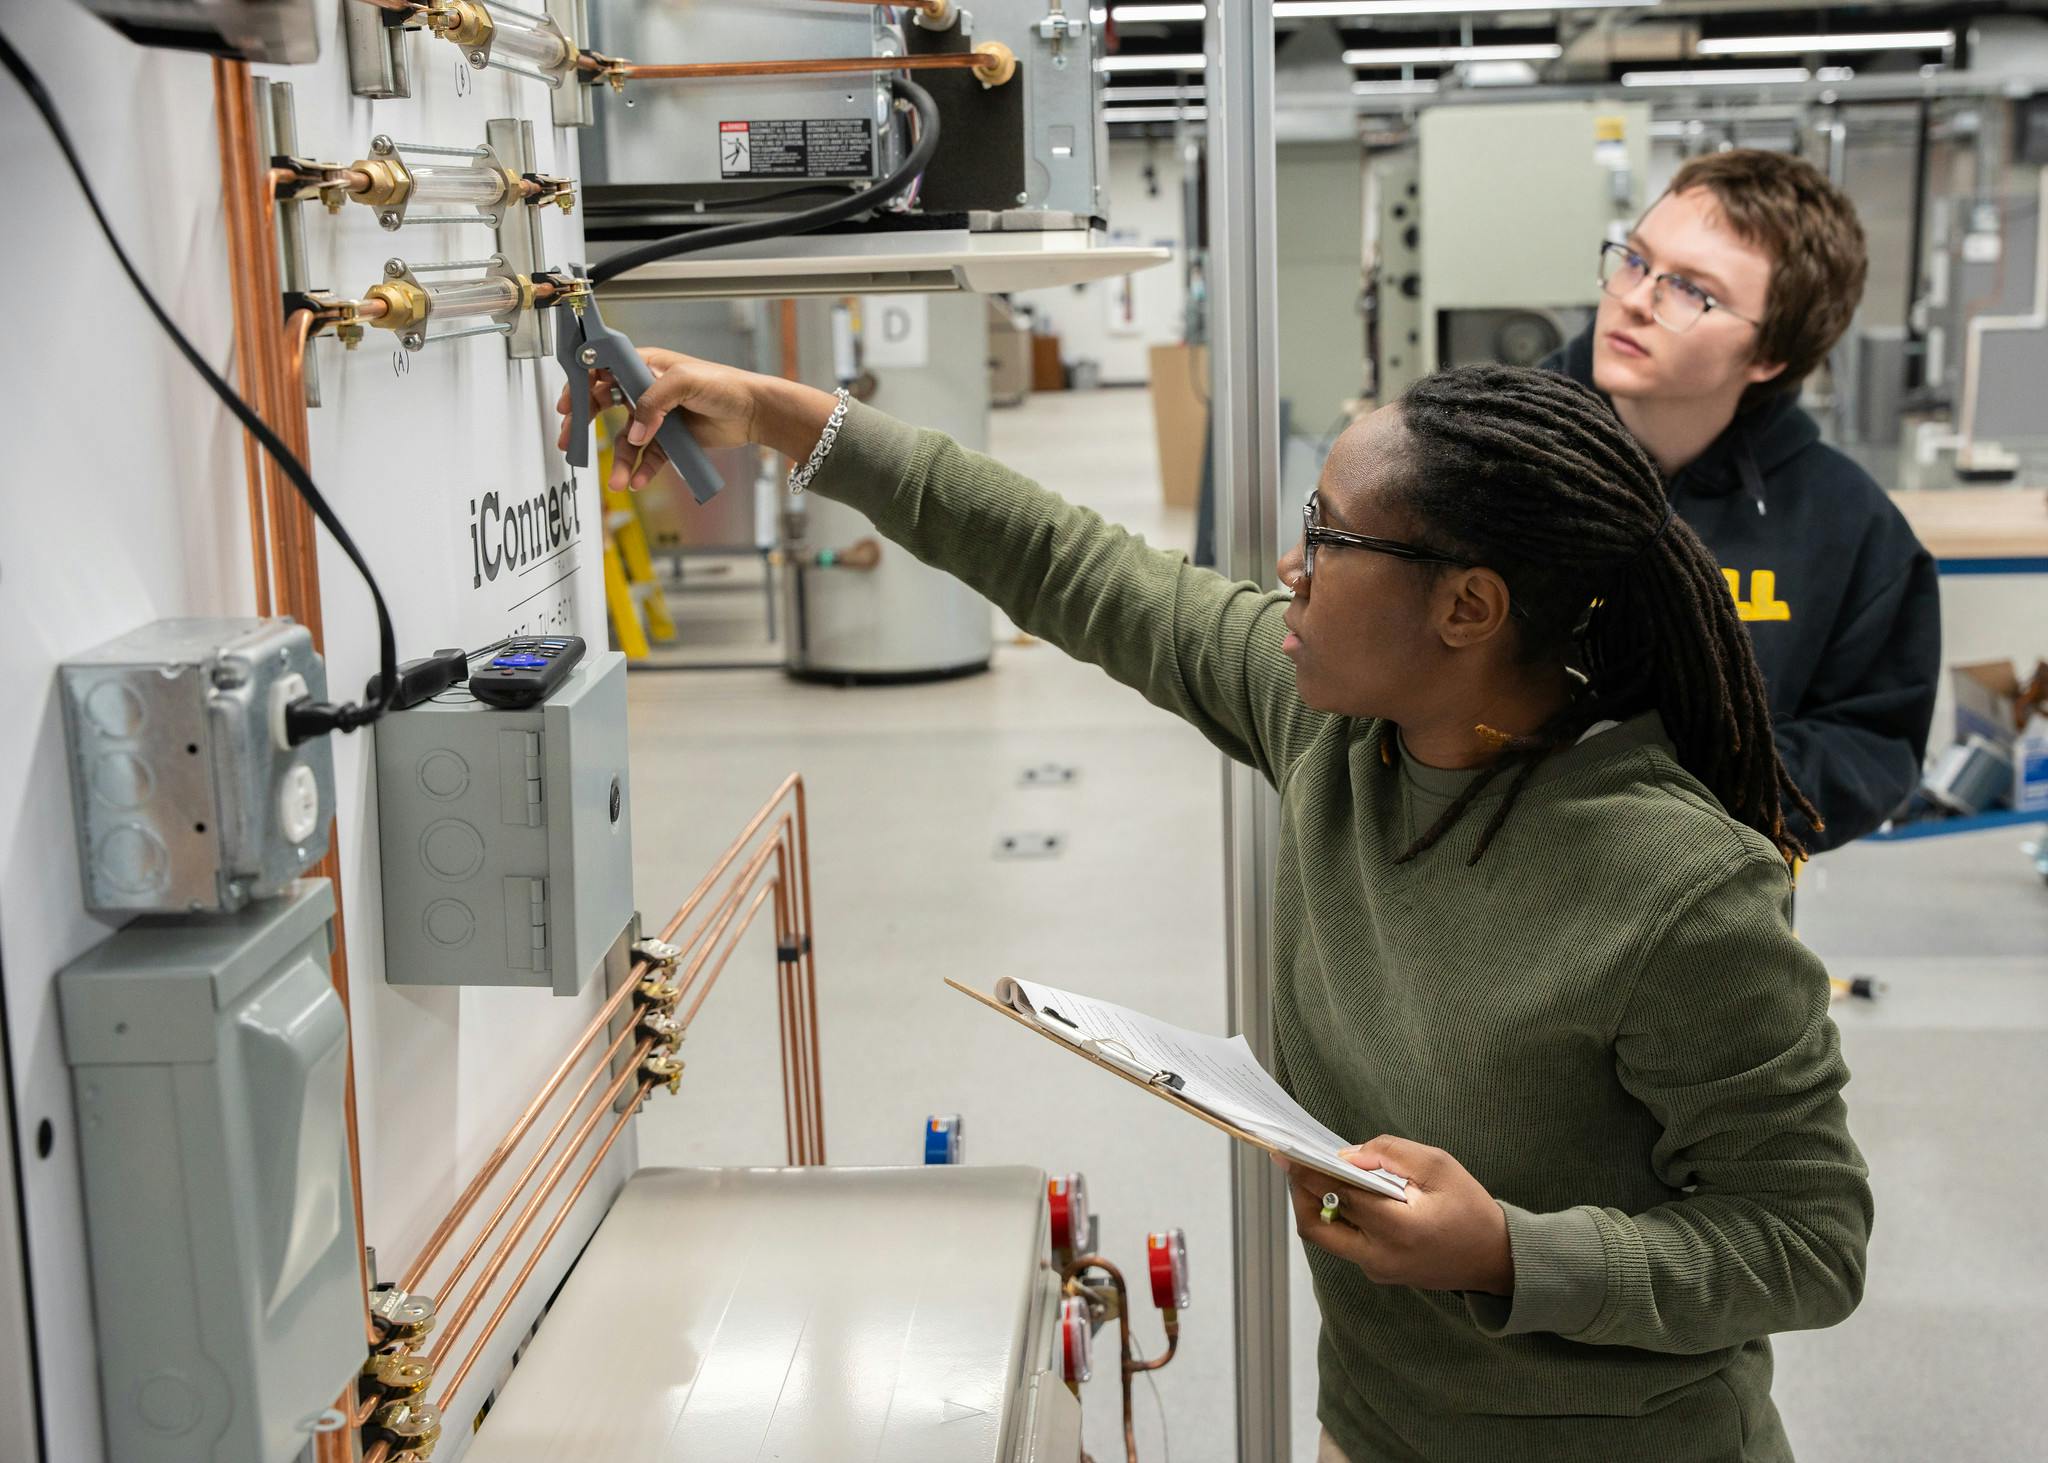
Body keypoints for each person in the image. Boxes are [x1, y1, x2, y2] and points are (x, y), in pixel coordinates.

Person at [563, 357, 1870, 1461]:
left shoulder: (1679, 890)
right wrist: (788, 416)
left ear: (1469, 606)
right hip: (1381, 1424)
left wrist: (1510, 1252)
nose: (1291, 569)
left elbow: (1810, 1239)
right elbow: (1067, 559)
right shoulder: (1335, 727)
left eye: (1333, 536)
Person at [1546, 148, 1941, 850]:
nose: (1634, 298)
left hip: (1712, 917)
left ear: (1769, 358)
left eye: (1690, 291)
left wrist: (1707, 800)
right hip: (1498, 904)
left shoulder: (1849, 527)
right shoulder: (1488, 454)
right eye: (1635, 260)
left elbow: (1871, 742)